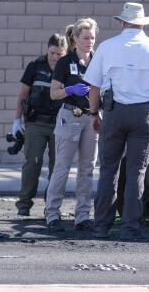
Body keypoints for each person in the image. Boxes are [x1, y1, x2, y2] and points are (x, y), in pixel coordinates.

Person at [84, 2, 149, 239]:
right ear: (142, 23)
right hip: (144, 114)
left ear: (122, 22)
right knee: (137, 172)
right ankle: (130, 227)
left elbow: (93, 87)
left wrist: (94, 114)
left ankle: (102, 226)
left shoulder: (107, 47)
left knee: (108, 170)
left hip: (114, 112)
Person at [44, 18, 100, 232]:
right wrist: (70, 90)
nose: (89, 42)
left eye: (92, 38)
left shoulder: (97, 60)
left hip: (91, 116)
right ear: (75, 39)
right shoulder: (65, 62)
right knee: (62, 167)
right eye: (85, 38)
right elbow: (53, 92)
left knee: (87, 169)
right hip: (70, 115)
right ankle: (52, 214)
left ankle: (82, 215)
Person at [12, 34, 67, 216]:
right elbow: (22, 95)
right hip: (36, 122)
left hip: (60, 123)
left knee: (56, 166)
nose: (55, 57)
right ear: (47, 49)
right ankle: (24, 205)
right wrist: (16, 120)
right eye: (52, 53)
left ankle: (50, 207)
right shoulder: (35, 66)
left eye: (60, 54)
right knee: (32, 163)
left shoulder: (68, 68)